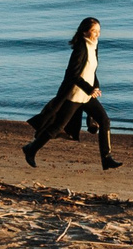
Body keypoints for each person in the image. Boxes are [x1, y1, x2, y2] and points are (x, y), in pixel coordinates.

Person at [24, 15, 121, 170]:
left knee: (104, 121)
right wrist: (89, 88)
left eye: (99, 31)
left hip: (86, 95)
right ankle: (31, 149)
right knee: (57, 127)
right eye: (94, 31)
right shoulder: (81, 48)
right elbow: (73, 74)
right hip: (75, 94)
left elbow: (91, 71)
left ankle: (106, 158)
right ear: (85, 32)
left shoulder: (93, 46)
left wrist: (95, 87)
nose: (97, 34)